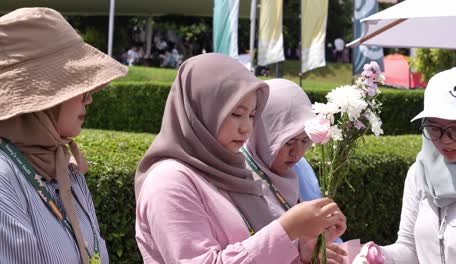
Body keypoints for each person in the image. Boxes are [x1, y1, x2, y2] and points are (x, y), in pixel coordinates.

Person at [134, 53, 345, 263]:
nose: (246, 128)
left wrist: (301, 253)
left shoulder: (231, 171)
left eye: (252, 115)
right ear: (201, 110)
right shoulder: (168, 182)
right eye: (236, 114)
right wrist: (286, 229)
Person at [0, 7, 128, 264]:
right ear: (44, 99)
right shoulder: (4, 180)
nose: (89, 98)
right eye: (79, 86)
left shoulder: (65, 164)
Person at [353, 68, 456, 263]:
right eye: (435, 128)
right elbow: (409, 247)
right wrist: (380, 256)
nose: (446, 140)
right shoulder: (419, 173)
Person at [242, 79, 346, 262]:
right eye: (288, 142)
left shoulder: (301, 169)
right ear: (262, 132)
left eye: (305, 140)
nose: (297, 152)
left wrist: (326, 235)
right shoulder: (239, 175)